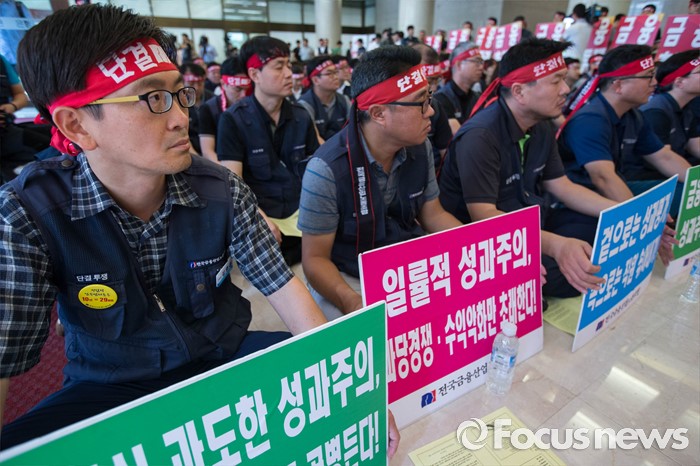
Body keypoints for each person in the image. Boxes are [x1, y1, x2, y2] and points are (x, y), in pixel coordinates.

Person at [0, 4, 330, 449]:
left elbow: (282, 287)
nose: (180, 118)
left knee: (319, 382)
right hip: (112, 385)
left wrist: (348, 387)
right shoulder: (29, 214)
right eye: (153, 99)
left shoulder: (220, 189)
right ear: (76, 124)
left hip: (221, 358)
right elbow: (5, 357)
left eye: (180, 93)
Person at [439, 38, 622, 299]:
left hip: (529, 222)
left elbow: (563, 186)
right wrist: (555, 245)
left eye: (564, 79)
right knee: (573, 273)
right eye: (556, 81)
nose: (566, 89)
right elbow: (484, 216)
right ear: (519, 92)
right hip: (489, 240)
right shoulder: (481, 135)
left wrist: (623, 212)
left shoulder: (541, 125)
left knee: (604, 233)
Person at [298, 46, 462, 320]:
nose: (431, 111)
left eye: (429, 98)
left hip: (406, 266)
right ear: (378, 113)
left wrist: (477, 245)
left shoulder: (421, 147)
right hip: (347, 276)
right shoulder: (326, 170)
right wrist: (352, 302)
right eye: (421, 103)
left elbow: (433, 215)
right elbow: (315, 260)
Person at [216, 36, 319, 266]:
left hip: (299, 210)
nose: (289, 74)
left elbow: (316, 172)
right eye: (279, 66)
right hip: (261, 213)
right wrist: (260, 220)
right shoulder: (233, 120)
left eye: (289, 65)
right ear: (254, 74)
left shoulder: (301, 116)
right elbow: (234, 185)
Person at [559, 45, 692, 218]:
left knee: (686, 193)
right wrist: (642, 217)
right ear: (619, 85)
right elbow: (602, 178)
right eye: (648, 76)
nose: (654, 82)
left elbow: (663, 157)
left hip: (615, 184)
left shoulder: (632, 114)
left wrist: (695, 184)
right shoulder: (590, 120)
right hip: (584, 198)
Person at [641, 51, 700, 165]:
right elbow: (665, 159)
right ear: (679, 82)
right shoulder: (656, 112)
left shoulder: (686, 107)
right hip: (649, 174)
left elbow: (695, 145)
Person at [198, 57, 251, 162]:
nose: (243, 95)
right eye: (238, 89)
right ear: (223, 84)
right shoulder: (208, 109)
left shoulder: (252, 104)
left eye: (247, 89)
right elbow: (207, 151)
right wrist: (227, 170)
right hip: (221, 164)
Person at [413, 43, 454, 171]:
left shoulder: (435, 106)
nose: (435, 88)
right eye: (429, 81)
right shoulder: (391, 109)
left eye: (437, 80)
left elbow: (446, 155)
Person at [298, 56, 351, 142]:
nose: (336, 77)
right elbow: (314, 138)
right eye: (329, 73)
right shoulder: (305, 104)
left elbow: (353, 129)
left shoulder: (344, 100)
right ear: (315, 80)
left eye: (336, 72)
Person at [433, 41, 483, 131]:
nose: (481, 67)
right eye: (477, 61)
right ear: (459, 64)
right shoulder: (441, 99)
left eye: (481, 62)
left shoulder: (478, 98)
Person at [0, 51, 33, 182]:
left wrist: (12, 106)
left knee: (50, 144)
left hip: (7, 131)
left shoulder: (1, 61)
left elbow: (20, 95)